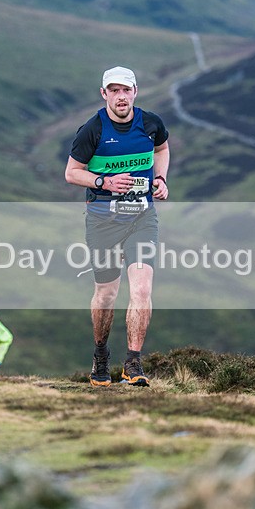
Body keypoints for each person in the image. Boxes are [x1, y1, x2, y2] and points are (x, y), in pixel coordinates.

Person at [64, 66, 170, 387]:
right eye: (114, 91)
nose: (121, 97)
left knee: (141, 289)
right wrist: (104, 181)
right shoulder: (93, 130)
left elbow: (162, 148)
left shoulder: (151, 123)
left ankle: (133, 364)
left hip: (142, 217)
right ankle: (100, 355)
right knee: (107, 294)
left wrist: (161, 178)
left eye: (126, 90)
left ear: (135, 91)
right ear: (104, 94)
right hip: (102, 221)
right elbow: (72, 172)